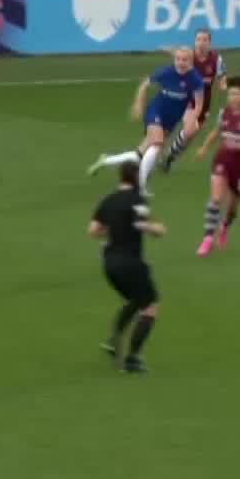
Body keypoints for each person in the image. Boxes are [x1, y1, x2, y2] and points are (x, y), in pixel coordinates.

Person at [86, 46, 205, 196]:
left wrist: (191, 121)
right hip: (155, 111)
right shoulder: (166, 72)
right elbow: (144, 85)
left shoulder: (195, 80)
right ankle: (140, 187)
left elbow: (199, 104)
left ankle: (105, 160)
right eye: (178, 59)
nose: (180, 63)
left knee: (139, 155)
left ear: (191, 62)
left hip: (171, 119)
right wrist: (138, 103)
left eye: (184, 60)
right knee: (156, 144)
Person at [87, 160, 166, 374]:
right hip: (131, 263)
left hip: (109, 263)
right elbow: (142, 223)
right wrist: (156, 229)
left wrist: (113, 231)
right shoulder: (137, 200)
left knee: (135, 299)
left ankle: (114, 339)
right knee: (150, 306)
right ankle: (132, 358)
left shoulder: (108, 200)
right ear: (135, 178)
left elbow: (93, 230)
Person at [189, 75, 240, 256]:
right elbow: (217, 131)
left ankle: (224, 226)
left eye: (236, 94)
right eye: (230, 93)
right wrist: (204, 147)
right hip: (222, 160)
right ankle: (207, 239)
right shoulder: (224, 113)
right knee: (216, 198)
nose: (232, 97)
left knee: (233, 205)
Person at [163, 30, 225, 170]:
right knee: (189, 130)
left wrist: (224, 85)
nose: (201, 43)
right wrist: (169, 50)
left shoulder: (216, 60)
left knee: (188, 138)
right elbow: (178, 56)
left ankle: (169, 158)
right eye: (198, 39)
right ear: (195, 41)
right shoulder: (190, 56)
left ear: (209, 42)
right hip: (187, 99)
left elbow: (222, 78)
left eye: (204, 40)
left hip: (203, 104)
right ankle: (156, 153)